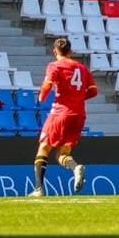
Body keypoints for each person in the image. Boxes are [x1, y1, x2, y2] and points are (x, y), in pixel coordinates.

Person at [29, 37, 98, 197]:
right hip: (79, 116)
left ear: (55, 51)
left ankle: (39, 189)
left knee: (44, 148)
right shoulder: (82, 67)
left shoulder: (54, 66)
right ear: (71, 51)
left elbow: (47, 85)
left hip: (60, 114)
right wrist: (78, 98)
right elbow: (94, 91)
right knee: (62, 153)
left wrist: (41, 97)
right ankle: (76, 168)